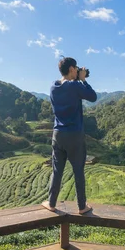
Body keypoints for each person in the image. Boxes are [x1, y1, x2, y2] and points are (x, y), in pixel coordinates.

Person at [42, 57, 97, 215]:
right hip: (74, 135)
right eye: (76, 68)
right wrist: (83, 80)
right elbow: (93, 97)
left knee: (57, 170)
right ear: (72, 69)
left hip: (57, 134)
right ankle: (81, 206)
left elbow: (66, 86)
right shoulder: (75, 86)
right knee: (78, 169)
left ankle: (51, 203)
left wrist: (78, 79)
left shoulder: (53, 86)